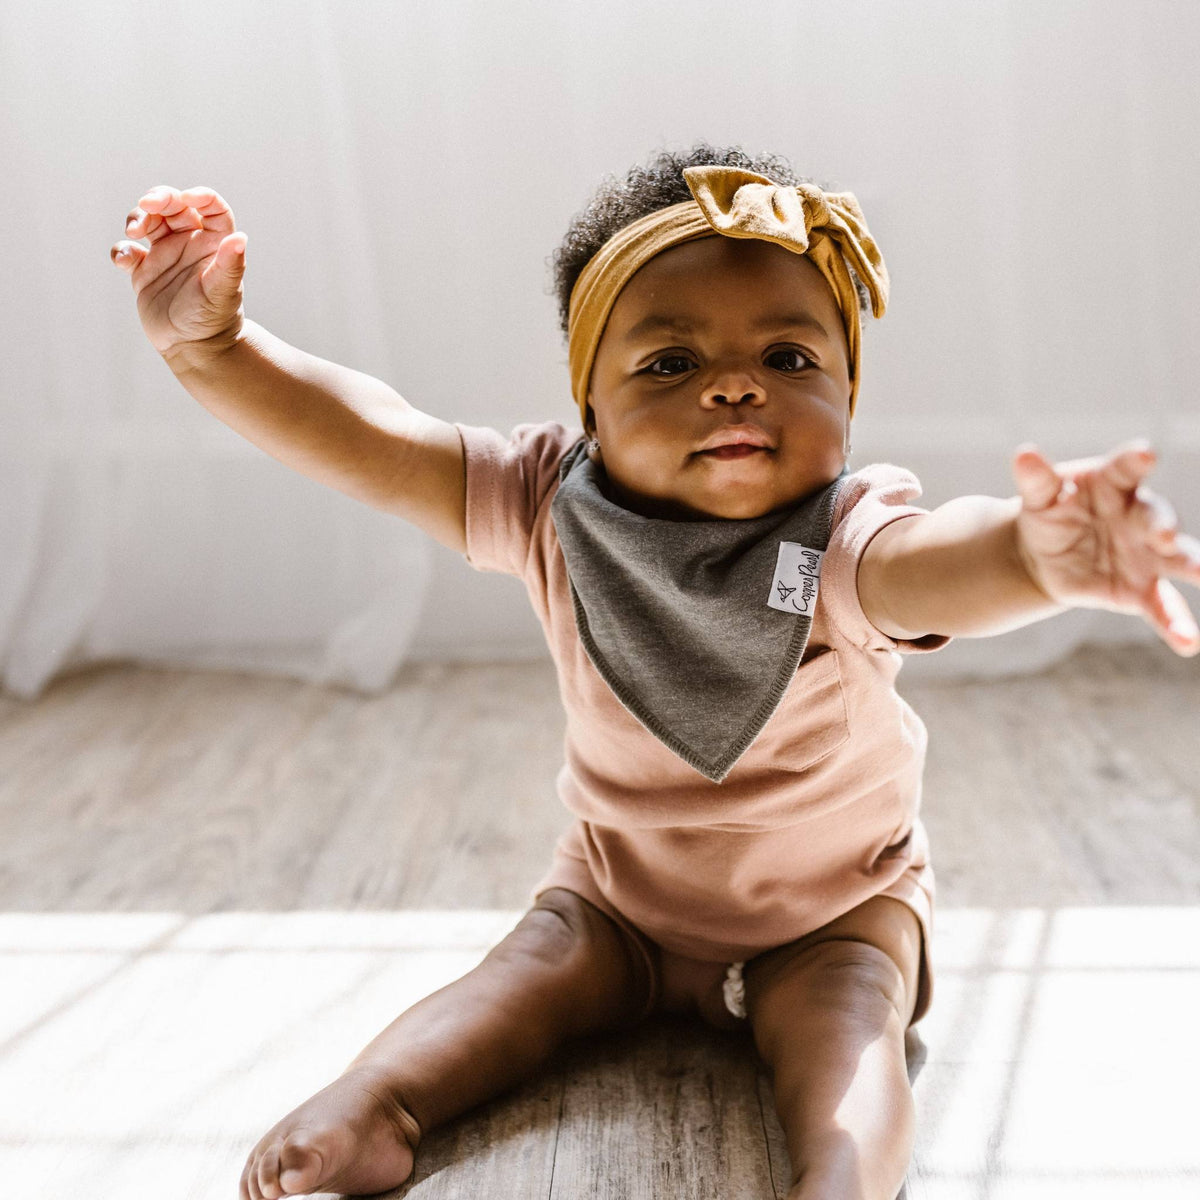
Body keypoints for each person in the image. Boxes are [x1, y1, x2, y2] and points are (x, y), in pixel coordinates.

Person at [111, 142, 1200, 1200]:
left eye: (790, 358)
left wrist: (1030, 554)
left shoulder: (843, 536)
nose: (736, 387)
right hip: (618, 904)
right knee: (520, 979)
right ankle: (378, 1103)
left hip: (832, 911)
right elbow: (378, 438)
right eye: (671, 363)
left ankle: (839, 1182)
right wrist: (217, 350)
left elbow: (931, 568)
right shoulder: (545, 502)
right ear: (590, 403)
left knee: (851, 1035)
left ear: (849, 399)